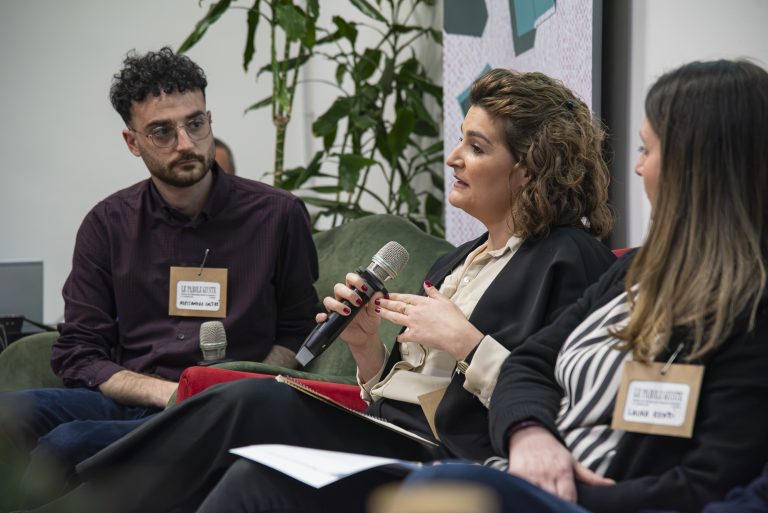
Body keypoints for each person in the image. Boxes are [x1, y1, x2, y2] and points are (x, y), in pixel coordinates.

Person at [28, 68, 616, 513]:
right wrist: (365, 345)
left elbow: (568, 392)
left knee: (254, 401)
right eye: (460, 139)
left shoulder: (568, 257)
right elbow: (395, 391)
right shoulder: (459, 259)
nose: (453, 157)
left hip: (445, 452)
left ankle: (77, 495)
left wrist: (467, 343)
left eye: (477, 147)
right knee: (249, 468)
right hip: (388, 427)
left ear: (529, 169)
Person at [387, 59, 768, 513]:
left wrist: (560, 488)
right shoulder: (638, 271)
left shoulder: (750, 306)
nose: (637, 168)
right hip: (514, 469)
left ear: (698, 165)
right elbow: (529, 367)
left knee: (434, 488)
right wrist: (530, 433)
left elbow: (706, 484)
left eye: (647, 149)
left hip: (575, 496)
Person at [0, 47, 319, 511]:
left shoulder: (278, 215)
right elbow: (79, 351)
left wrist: (243, 384)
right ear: (133, 142)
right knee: (10, 415)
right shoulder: (107, 224)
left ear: (209, 119)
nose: (186, 143)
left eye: (195, 123)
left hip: (223, 405)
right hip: (136, 392)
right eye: (162, 132)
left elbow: (299, 328)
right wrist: (168, 392)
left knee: (67, 443)